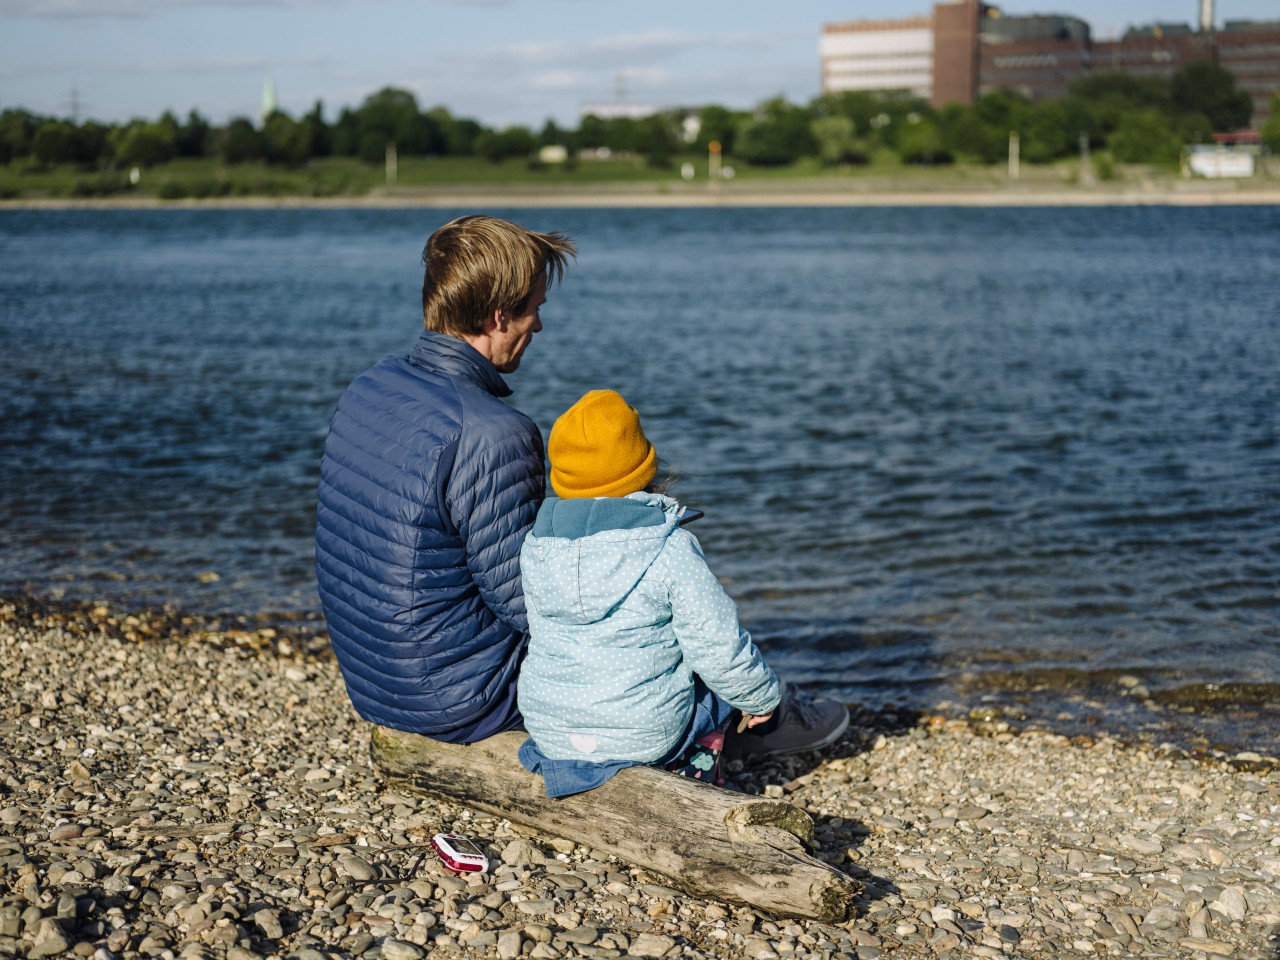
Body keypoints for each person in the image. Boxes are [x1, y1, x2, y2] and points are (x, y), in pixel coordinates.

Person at [315, 214, 575, 743]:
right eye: (534, 310)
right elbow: (525, 601)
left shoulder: (369, 386)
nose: (539, 327)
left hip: (374, 680)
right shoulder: (495, 432)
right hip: (456, 699)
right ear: (499, 317)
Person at [517, 390, 849, 797]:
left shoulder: (538, 544)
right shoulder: (668, 548)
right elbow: (718, 646)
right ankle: (697, 768)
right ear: (643, 468)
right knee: (714, 688)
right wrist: (761, 698)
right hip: (644, 734)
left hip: (551, 727)